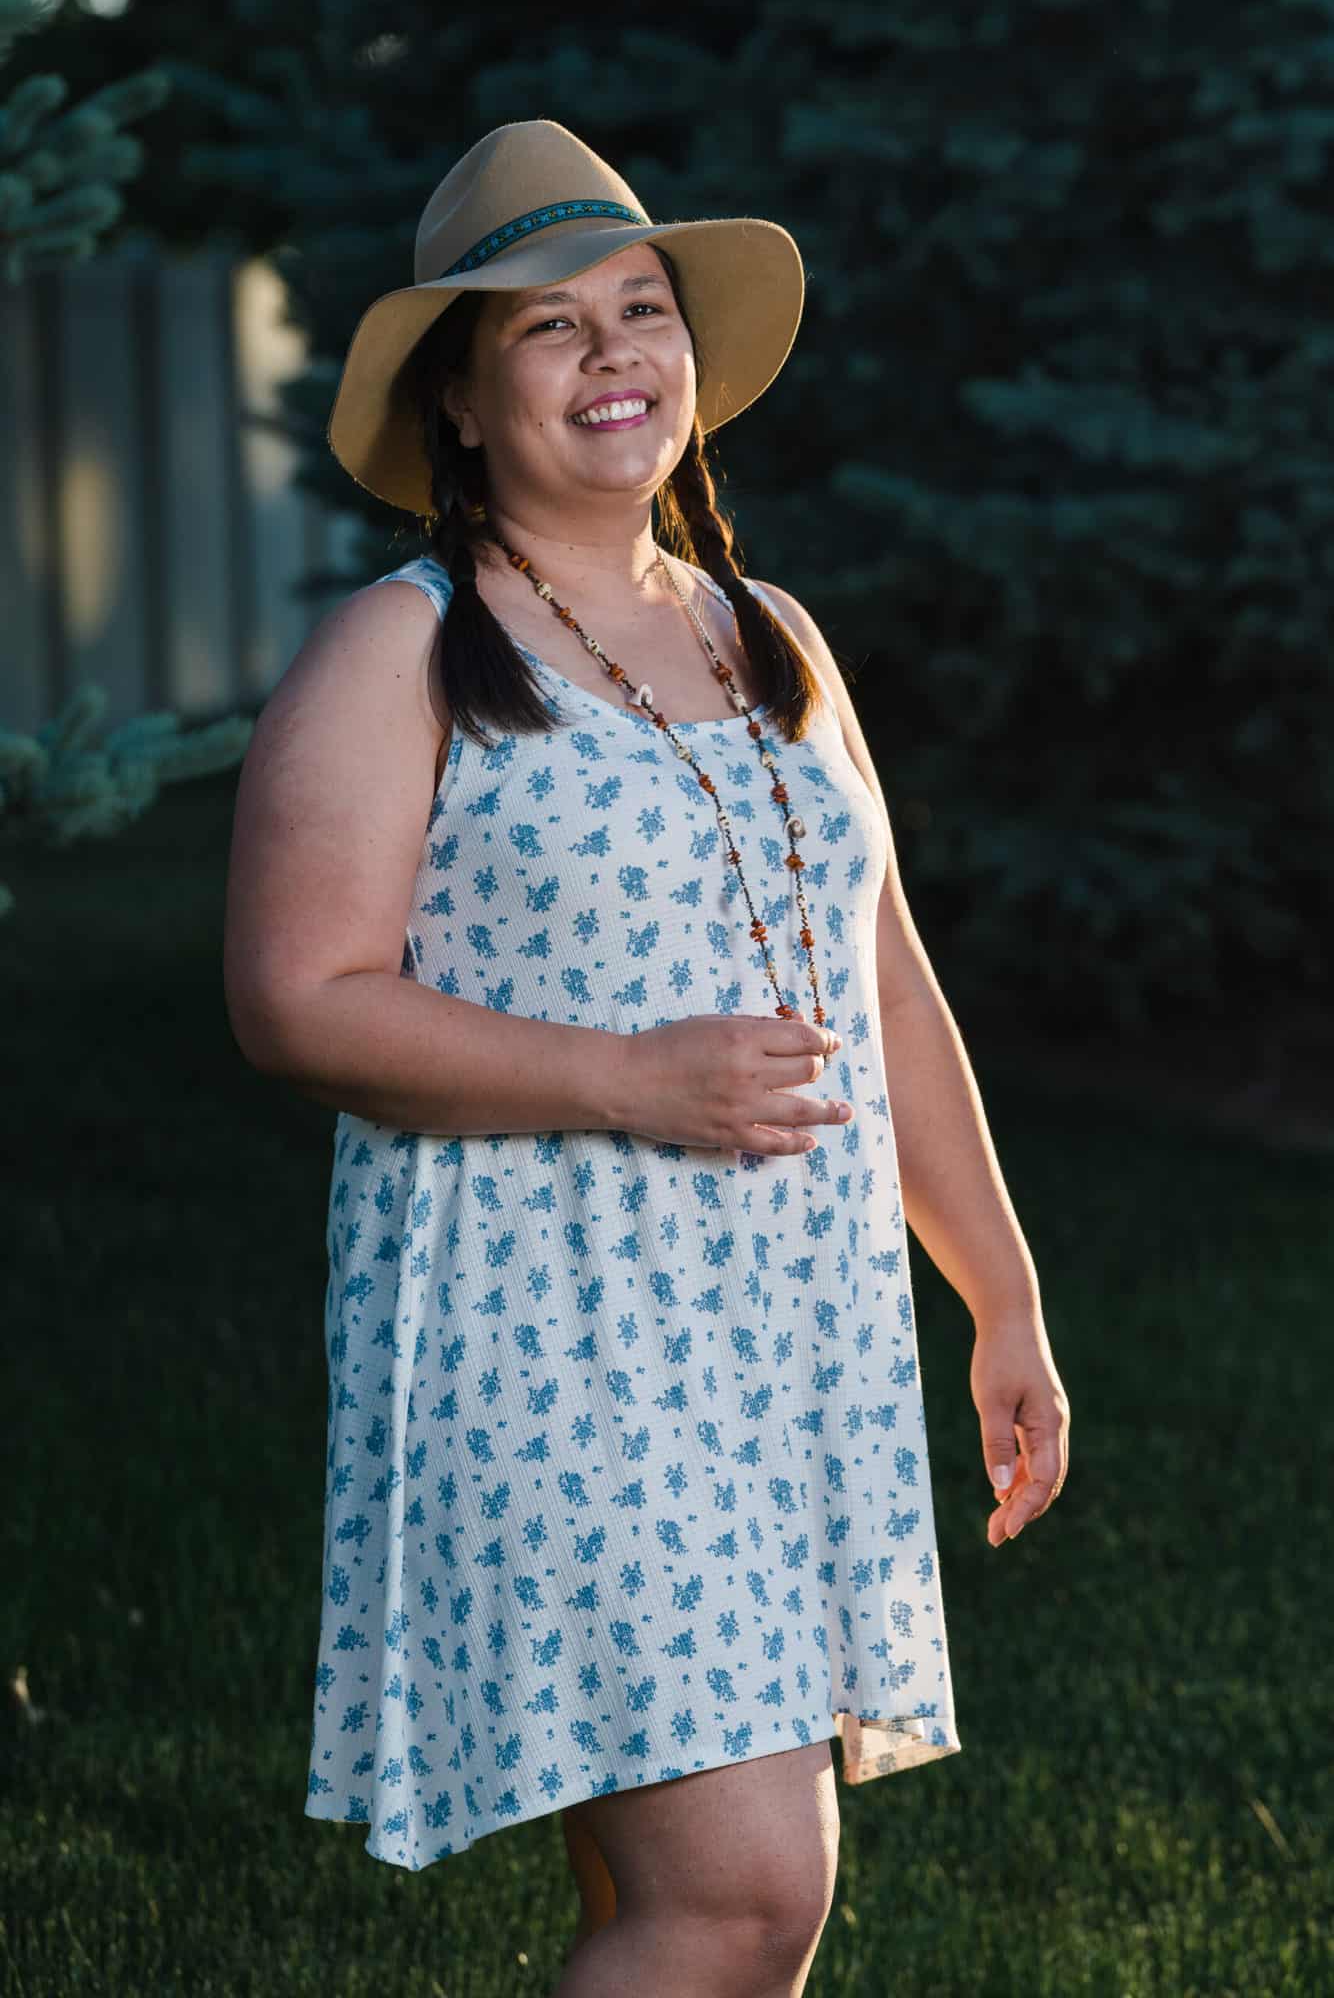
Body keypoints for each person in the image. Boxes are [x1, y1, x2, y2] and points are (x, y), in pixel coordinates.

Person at [223, 118, 1070, 1998]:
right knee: (744, 1896)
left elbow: (885, 986)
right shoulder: (402, 651)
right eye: (547, 325)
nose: (612, 353)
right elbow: (295, 997)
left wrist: (999, 1297)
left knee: (693, 1909)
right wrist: (632, 1077)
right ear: (458, 402)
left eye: (640, 309)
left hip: (783, 1338)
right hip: (556, 1338)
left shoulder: (773, 636)